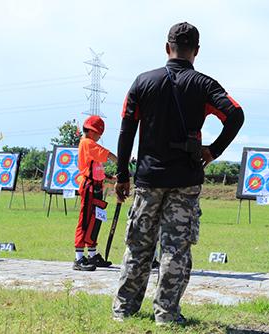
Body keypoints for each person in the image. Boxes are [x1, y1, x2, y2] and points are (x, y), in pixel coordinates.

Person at [112, 22, 244, 325]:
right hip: (186, 181)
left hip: (147, 180)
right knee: (175, 249)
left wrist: (122, 175)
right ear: (196, 51)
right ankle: (166, 315)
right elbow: (235, 114)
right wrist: (213, 151)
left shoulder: (142, 82)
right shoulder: (204, 84)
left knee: (138, 246)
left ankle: (123, 310)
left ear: (166, 47)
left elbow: (126, 131)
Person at [73, 115, 118, 271]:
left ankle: (92, 255)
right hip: (89, 188)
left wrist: (111, 178)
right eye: (99, 133)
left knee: (95, 221)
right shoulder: (87, 143)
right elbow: (107, 154)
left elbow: (97, 168)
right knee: (85, 221)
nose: (100, 137)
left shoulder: (91, 145)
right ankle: (79, 258)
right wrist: (121, 162)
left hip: (97, 187)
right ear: (91, 131)